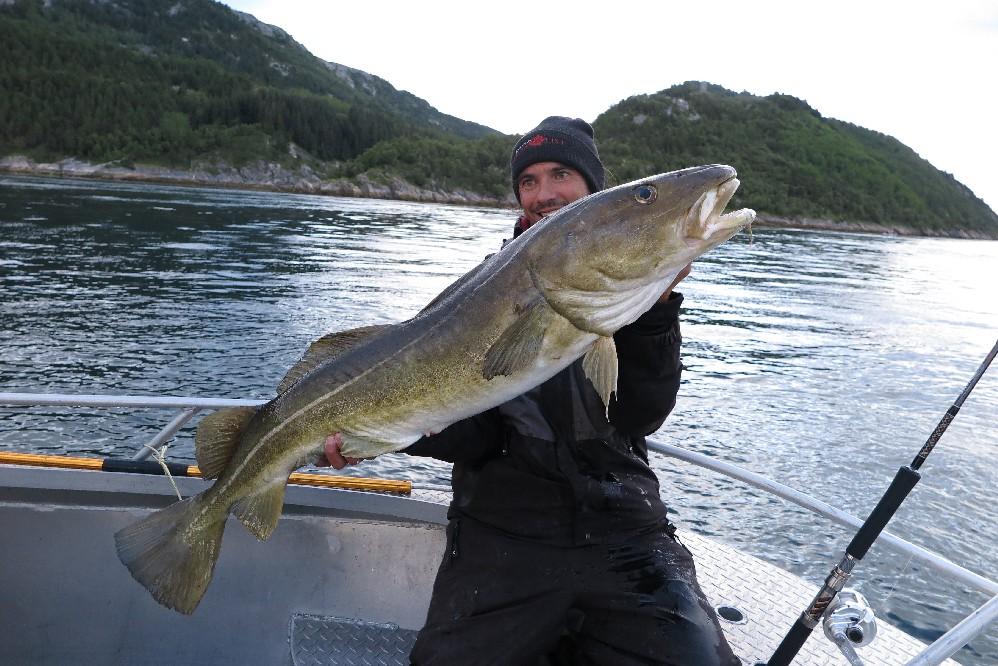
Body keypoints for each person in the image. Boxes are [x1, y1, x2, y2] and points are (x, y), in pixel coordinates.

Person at [321, 117, 738, 665]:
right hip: (501, 531)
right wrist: (387, 431)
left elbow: (639, 416)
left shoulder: (630, 293)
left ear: (594, 189)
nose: (543, 194)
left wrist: (656, 315)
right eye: (529, 181)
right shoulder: (479, 295)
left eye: (561, 174)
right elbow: (477, 435)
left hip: (624, 530)